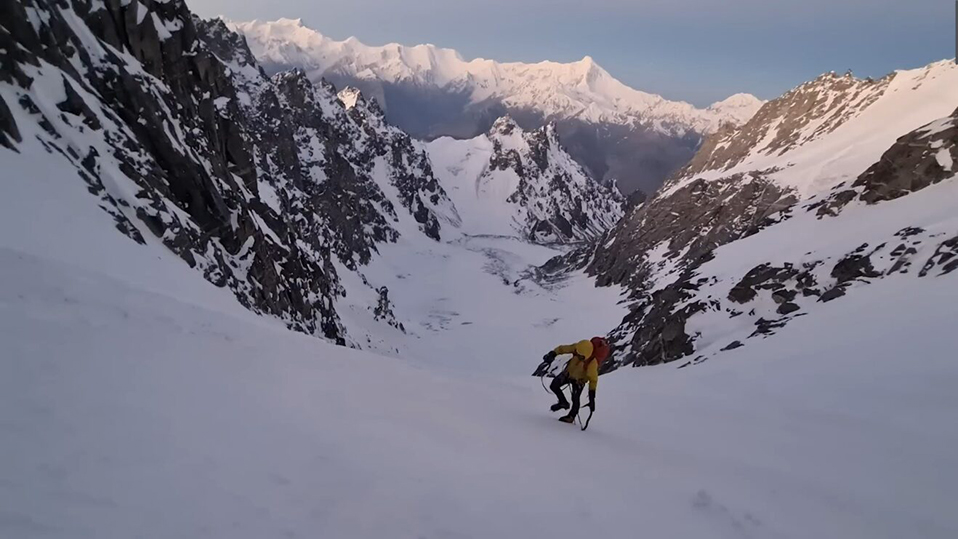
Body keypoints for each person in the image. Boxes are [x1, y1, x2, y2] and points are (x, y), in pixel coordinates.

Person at [541, 338, 608, 424]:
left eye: (581, 356)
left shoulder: (592, 363)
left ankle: (571, 416)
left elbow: (593, 379)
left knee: (575, 398)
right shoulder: (578, 348)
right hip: (569, 373)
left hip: (579, 380)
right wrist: (553, 353)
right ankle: (563, 403)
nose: (577, 355)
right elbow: (562, 349)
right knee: (554, 385)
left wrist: (592, 397)